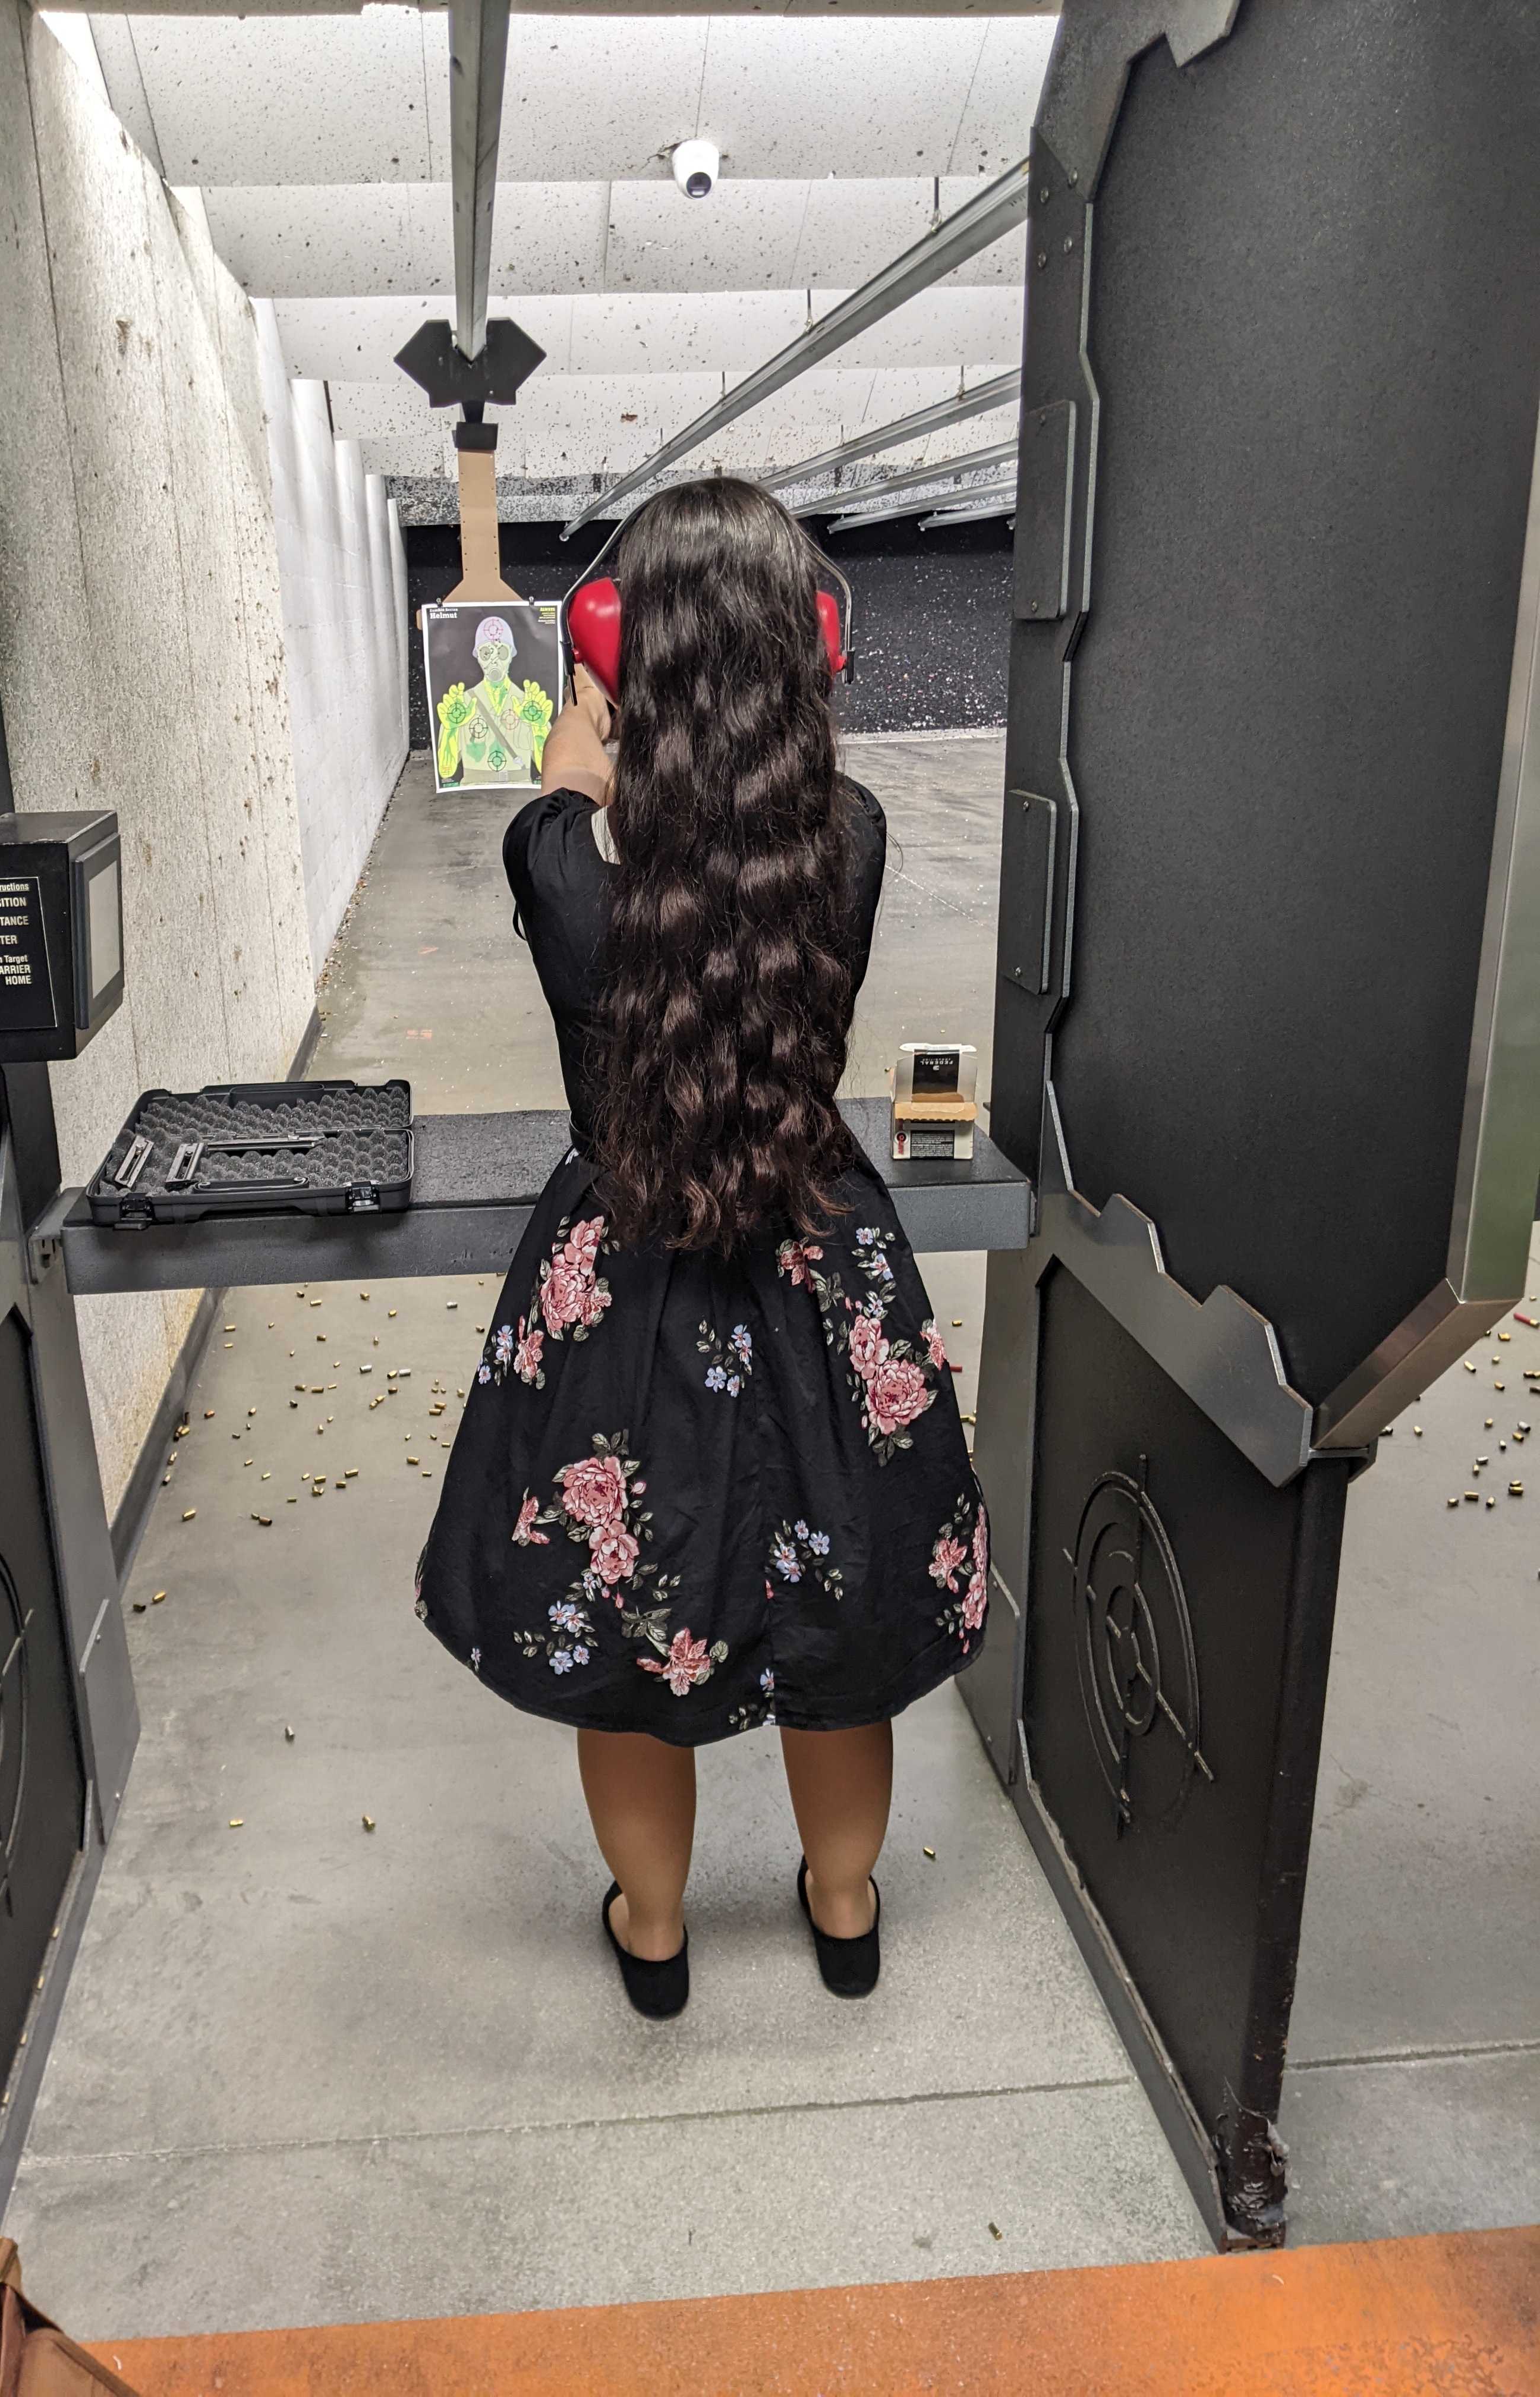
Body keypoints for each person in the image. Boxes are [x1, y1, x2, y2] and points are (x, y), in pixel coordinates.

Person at [416, 479, 987, 2017]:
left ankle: (655, 1932)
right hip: (820, 1271)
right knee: (839, 1625)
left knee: (629, 1630)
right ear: (809, 660)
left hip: (629, 1291)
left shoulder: (556, 863)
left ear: (625, 662)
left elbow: (573, 797)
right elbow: (781, 825)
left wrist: (588, 724)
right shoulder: (852, 842)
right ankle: (845, 1904)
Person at [435, 614, 555, 785]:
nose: (494, 660)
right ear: (478, 657)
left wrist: (539, 728)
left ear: (511, 655)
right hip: (473, 791)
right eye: (486, 653)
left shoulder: (529, 704)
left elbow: (547, 769)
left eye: (501, 652)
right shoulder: (461, 706)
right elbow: (446, 770)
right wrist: (450, 729)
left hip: (519, 788)